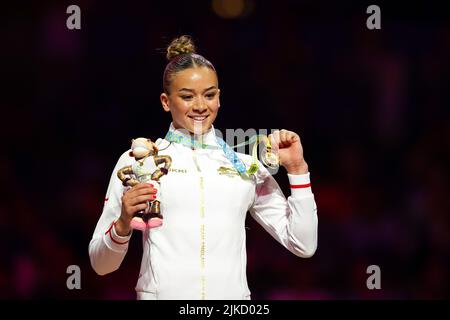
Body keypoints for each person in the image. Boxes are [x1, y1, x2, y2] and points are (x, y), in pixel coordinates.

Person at [89, 35, 318, 300]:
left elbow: (304, 244)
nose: (200, 106)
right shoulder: (139, 161)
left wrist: (298, 171)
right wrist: (122, 224)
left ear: (219, 97)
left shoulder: (246, 166)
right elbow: (101, 265)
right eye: (187, 97)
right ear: (166, 101)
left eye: (209, 95)